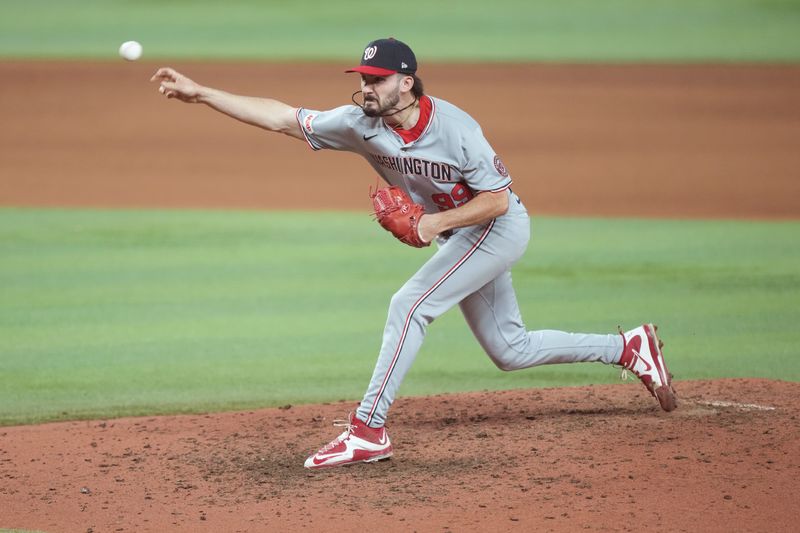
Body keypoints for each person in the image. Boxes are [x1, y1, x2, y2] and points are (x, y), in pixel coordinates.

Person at [151, 38, 677, 470]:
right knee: (509, 350)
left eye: (376, 80)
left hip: (498, 227)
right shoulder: (360, 124)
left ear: (406, 81)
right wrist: (202, 94)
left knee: (410, 304)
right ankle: (628, 348)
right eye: (362, 79)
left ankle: (368, 430)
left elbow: (496, 198)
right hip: (463, 237)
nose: (366, 88)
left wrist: (434, 223)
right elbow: (284, 118)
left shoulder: (457, 130)